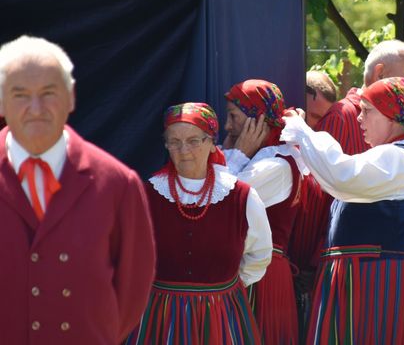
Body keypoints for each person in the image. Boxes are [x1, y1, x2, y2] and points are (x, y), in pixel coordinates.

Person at [0, 35, 155, 344]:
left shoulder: (118, 183)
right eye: (20, 94)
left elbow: (132, 289)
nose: (36, 108)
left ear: (71, 97)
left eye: (49, 93)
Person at [281, 77, 404, 344]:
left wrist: (301, 130)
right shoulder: (401, 156)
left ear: (392, 116)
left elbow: (341, 174)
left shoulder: (398, 157)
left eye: (367, 111)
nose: (360, 118)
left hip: (380, 283)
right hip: (374, 278)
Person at [125, 102, 272, 344]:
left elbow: (260, 254)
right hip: (160, 318)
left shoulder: (240, 196)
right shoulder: (148, 194)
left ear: (211, 142)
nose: (184, 150)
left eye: (193, 140)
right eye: (174, 141)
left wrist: (225, 288)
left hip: (221, 314)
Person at [223, 79, 304, 345]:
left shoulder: (276, 166)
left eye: (233, 117)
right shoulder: (258, 159)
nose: (227, 126)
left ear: (256, 121)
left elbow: (220, 203)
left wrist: (236, 155)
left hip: (262, 275)